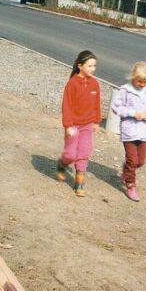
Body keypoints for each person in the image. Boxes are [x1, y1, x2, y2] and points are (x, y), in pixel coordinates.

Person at [111, 61, 146, 202]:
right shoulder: (125, 90)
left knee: (140, 161)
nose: (142, 84)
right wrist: (132, 113)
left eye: (145, 82)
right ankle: (130, 185)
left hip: (143, 131)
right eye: (140, 81)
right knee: (132, 160)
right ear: (133, 77)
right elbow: (116, 107)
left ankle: (127, 169)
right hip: (129, 131)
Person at [56, 50, 101, 197]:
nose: (93, 69)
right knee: (70, 154)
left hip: (87, 125)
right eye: (89, 66)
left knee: (84, 152)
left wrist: (96, 121)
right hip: (74, 125)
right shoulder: (72, 84)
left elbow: (96, 105)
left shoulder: (95, 84)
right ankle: (62, 164)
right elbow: (67, 106)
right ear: (80, 66)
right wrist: (68, 125)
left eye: (94, 66)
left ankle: (79, 183)